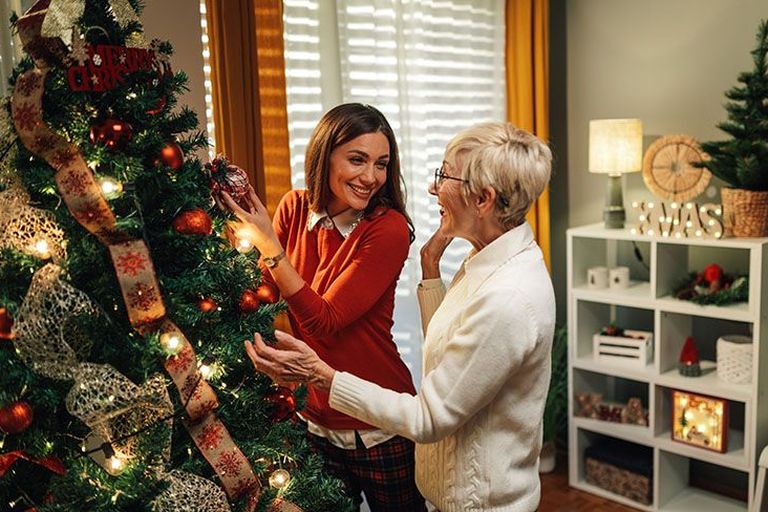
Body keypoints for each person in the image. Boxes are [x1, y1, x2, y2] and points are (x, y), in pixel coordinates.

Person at [244, 122, 556, 512]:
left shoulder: (507, 297)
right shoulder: (487, 261)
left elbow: (429, 417)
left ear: (483, 200)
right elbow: (452, 350)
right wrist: (429, 269)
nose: (431, 187)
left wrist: (319, 374)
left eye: (444, 175)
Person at [219, 103, 425, 511]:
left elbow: (325, 321)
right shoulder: (295, 207)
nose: (371, 177)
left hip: (380, 420)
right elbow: (260, 296)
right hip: (315, 419)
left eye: (381, 164)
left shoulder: (388, 228)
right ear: (325, 154)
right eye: (357, 159)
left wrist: (271, 248)